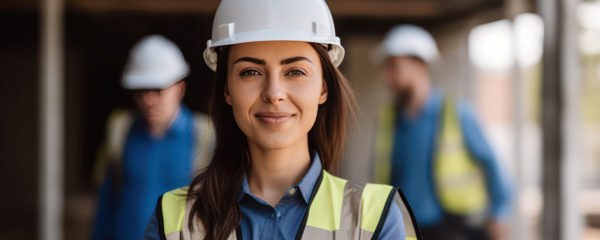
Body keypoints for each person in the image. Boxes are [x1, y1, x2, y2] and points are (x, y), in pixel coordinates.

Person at [144, 0, 421, 239]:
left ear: (323, 88)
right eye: (250, 72)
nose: (274, 93)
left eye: (295, 72)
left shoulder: (375, 220)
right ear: (227, 89)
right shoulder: (174, 221)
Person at [373, 25, 512, 240]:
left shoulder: (457, 114)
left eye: (394, 67)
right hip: (404, 229)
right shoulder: (391, 119)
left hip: (451, 228)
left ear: (419, 66)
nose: (388, 76)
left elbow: (492, 163)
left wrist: (499, 214)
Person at [93, 35, 214, 240]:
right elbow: (106, 204)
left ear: (180, 88)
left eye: (157, 90)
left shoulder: (206, 136)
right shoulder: (120, 131)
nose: (148, 100)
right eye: (141, 91)